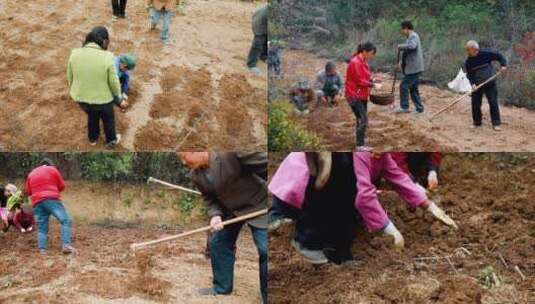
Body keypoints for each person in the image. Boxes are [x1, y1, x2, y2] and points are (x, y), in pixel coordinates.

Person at [269, 152, 458, 265]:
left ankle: (337, 250)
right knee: (287, 208)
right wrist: (387, 227)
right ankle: (280, 221)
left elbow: (398, 177)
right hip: (306, 175)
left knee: (342, 211)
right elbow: (364, 195)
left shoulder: (382, 155)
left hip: (332, 185)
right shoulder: (359, 154)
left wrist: (428, 204)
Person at [179, 152, 267, 304]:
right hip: (230, 210)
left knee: (266, 248)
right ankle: (222, 287)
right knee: (218, 243)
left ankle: (267, 295)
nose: (183, 162)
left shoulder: (231, 153)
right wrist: (215, 215)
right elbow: (209, 198)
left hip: (258, 204)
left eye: (184, 156)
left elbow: (265, 165)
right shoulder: (195, 175)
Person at [67, 26, 127, 148]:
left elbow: (70, 77)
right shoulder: (107, 57)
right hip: (102, 101)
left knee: (92, 116)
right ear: (104, 41)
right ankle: (111, 140)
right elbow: (114, 82)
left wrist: (78, 92)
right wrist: (118, 97)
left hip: (81, 100)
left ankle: (92, 139)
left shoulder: (74, 54)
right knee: (108, 119)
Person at [24, 158, 73, 255]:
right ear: (50, 164)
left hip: (37, 202)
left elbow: (28, 191)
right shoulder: (52, 169)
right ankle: (66, 245)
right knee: (65, 220)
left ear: (40, 164)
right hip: (51, 199)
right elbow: (62, 186)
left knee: (42, 228)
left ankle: (42, 250)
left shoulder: (31, 173)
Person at [464, 40, 507, 131]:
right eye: (466, 50)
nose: (467, 52)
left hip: (490, 83)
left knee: (493, 102)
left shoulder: (486, 54)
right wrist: (473, 84)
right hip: (477, 85)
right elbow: (469, 75)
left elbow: (499, 56)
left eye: (468, 50)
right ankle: (477, 123)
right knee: (475, 104)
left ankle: (496, 124)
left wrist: (503, 65)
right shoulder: (468, 62)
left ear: (475, 49)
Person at [345, 42, 381, 151]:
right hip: (354, 95)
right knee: (363, 119)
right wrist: (372, 84)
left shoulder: (363, 61)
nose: (372, 56)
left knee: (360, 119)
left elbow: (365, 77)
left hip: (361, 95)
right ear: (364, 51)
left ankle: (360, 142)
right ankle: (360, 145)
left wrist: (372, 80)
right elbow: (359, 80)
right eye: (371, 53)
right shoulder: (355, 62)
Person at [394, 21, 425, 114]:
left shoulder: (413, 36)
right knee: (413, 89)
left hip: (414, 69)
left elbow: (412, 46)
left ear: (407, 28)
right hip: (414, 68)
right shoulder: (410, 37)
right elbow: (408, 52)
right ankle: (419, 108)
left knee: (403, 86)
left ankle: (404, 107)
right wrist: (401, 62)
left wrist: (400, 46)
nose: (402, 31)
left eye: (403, 29)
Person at [247, 5, 268, 75]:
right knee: (258, 44)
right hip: (259, 21)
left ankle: (263, 56)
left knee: (266, 40)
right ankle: (251, 64)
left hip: (266, 21)